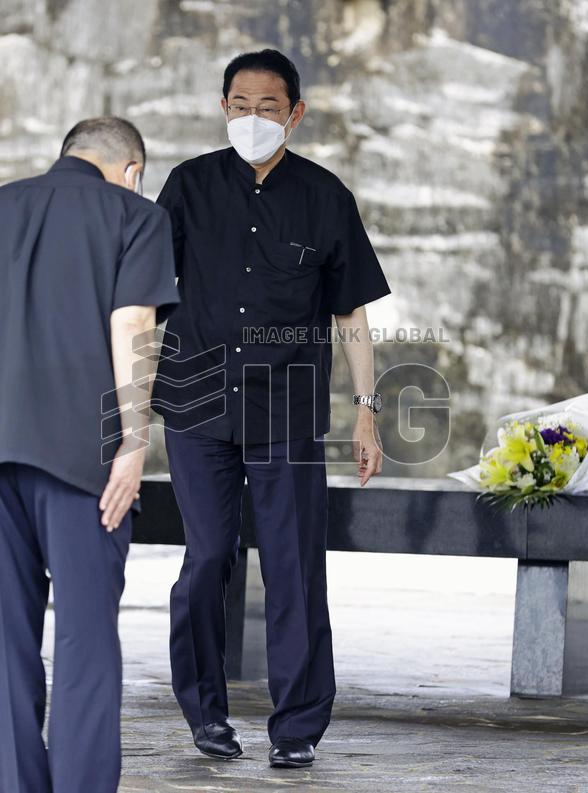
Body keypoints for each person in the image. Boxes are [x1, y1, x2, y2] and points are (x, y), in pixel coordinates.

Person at [0, 117, 179, 793]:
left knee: (2, 650)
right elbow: (133, 322)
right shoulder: (135, 216)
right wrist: (131, 439)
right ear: (131, 168)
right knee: (87, 644)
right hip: (81, 465)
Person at [153, 49, 391, 769]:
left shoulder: (325, 197)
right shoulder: (188, 186)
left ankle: (297, 726)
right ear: (223, 106)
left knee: (294, 565)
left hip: (286, 410)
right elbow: (142, 296)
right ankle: (204, 714)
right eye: (238, 104)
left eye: (266, 106)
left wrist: (368, 410)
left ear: (295, 113)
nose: (250, 118)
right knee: (207, 559)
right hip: (197, 406)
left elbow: (349, 312)